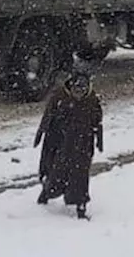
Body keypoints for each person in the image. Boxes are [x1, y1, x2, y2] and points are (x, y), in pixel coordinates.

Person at [35, 69, 104, 220]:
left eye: (82, 90)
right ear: (71, 87)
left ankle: (80, 206)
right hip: (59, 141)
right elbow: (48, 115)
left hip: (83, 144)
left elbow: (97, 121)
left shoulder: (92, 100)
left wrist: (99, 138)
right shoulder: (59, 96)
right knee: (55, 170)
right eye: (76, 90)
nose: (79, 93)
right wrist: (41, 132)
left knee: (80, 176)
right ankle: (47, 192)